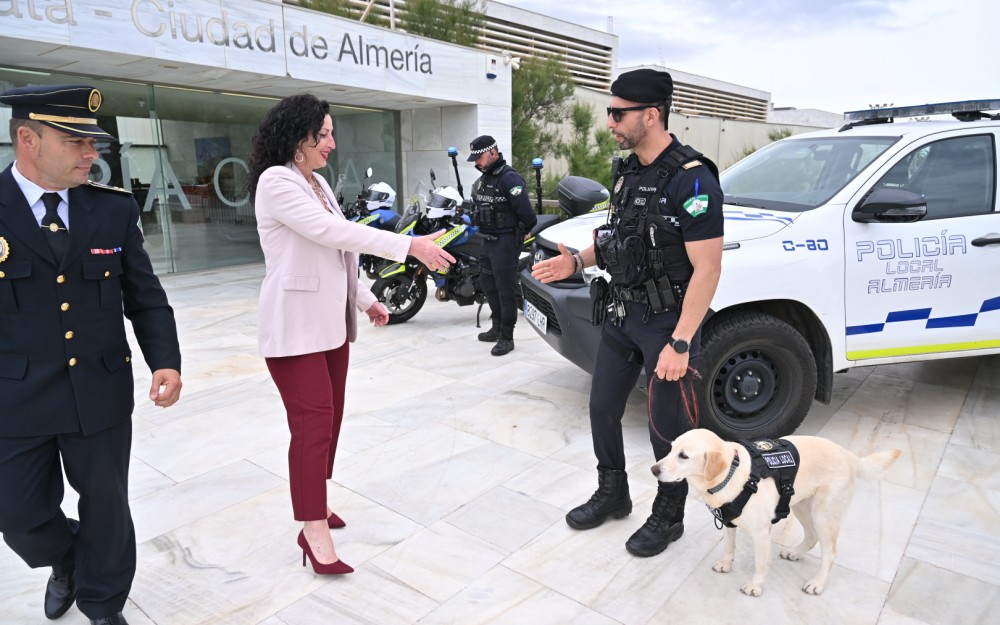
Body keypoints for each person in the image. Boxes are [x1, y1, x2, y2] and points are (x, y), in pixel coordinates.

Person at [246, 94, 454, 576]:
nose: (331, 144)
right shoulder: (277, 182)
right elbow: (328, 232)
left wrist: (366, 298)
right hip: (294, 329)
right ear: (299, 138)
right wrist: (409, 246)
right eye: (324, 135)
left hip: (330, 326)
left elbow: (335, 255)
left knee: (331, 419)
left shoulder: (316, 182)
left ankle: (315, 498)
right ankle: (311, 526)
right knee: (313, 424)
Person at [0, 85, 183, 625]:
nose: (92, 154)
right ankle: (66, 561)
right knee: (19, 515)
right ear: (27, 139)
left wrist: (165, 360)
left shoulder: (113, 211)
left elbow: (145, 296)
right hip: (16, 396)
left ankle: (103, 604)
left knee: (106, 507)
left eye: (93, 142)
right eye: (75, 141)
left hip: (97, 389)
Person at [531, 68, 724, 557]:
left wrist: (681, 342)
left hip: (666, 326)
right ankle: (614, 492)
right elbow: (621, 240)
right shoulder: (628, 171)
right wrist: (576, 259)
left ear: (651, 115)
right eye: (610, 111)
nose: (610, 121)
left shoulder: (693, 179)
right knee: (602, 408)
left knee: (665, 429)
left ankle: (669, 514)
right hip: (622, 314)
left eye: (619, 113)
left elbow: (708, 269)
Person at [468, 135, 537, 356]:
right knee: (488, 285)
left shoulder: (510, 179)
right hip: (487, 241)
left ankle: (507, 336)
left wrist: (516, 234)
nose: (477, 162)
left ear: (493, 153)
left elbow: (528, 216)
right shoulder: (484, 180)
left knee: (505, 290)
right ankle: (496, 327)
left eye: (479, 157)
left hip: (505, 242)